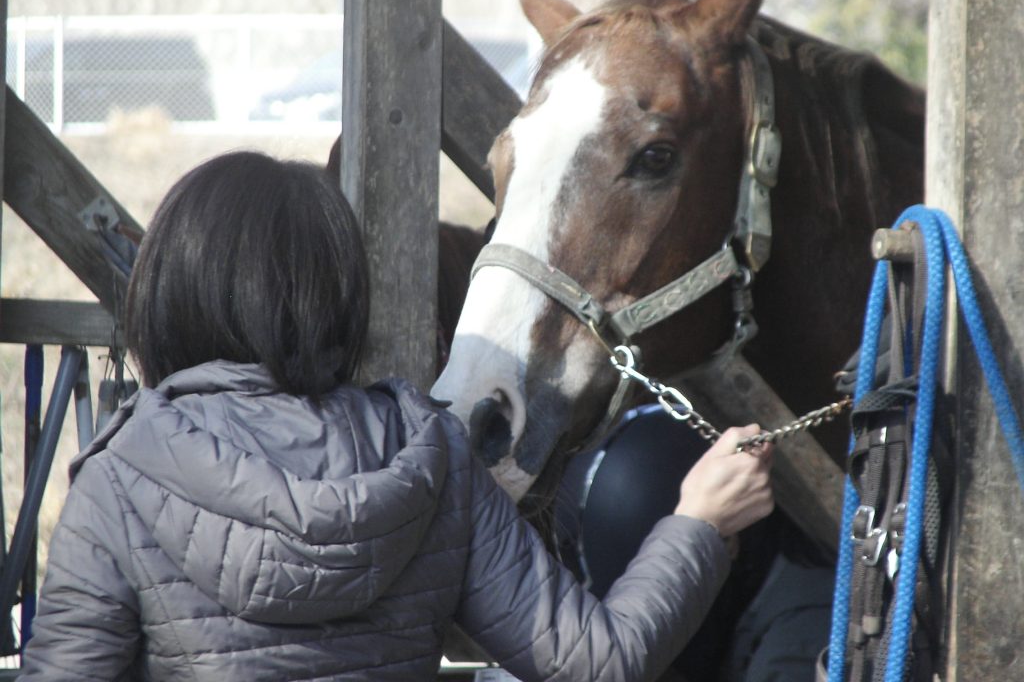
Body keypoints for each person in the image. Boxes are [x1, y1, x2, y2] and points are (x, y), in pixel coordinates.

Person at [19, 150, 774, 681]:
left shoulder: (121, 474)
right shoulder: (432, 453)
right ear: (338, 292)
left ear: (170, 291)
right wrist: (698, 522)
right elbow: (595, 662)